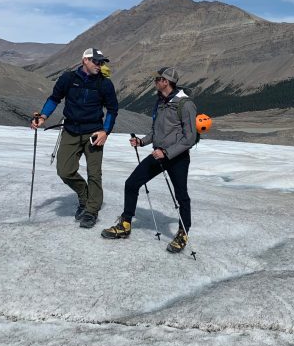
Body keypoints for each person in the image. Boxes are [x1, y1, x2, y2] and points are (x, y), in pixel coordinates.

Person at [101, 67, 197, 253]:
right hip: (158, 154)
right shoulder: (160, 102)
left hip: (177, 158)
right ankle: (125, 224)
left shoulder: (185, 105)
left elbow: (190, 138)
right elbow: (156, 131)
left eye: (158, 79)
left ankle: (182, 233)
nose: (155, 82)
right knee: (131, 183)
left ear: (166, 82)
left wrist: (167, 153)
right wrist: (141, 141)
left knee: (181, 196)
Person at [30, 48, 118, 228]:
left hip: (94, 133)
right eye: (96, 61)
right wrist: (43, 116)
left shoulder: (105, 84)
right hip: (70, 130)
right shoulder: (68, 79)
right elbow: (54, 98)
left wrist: (105, 131)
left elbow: (112, 110)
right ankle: (84, 196)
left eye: (101, 62)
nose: (99, 65)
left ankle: (91, 210)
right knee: (64, 171)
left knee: (94, 174)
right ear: (85, 60)